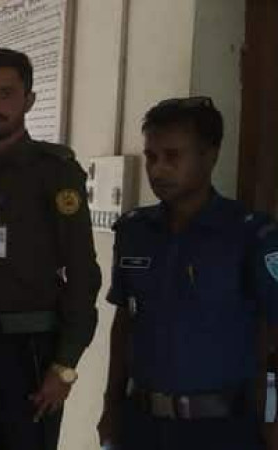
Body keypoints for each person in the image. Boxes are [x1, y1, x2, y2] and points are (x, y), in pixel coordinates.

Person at [97, 97, 278, 450]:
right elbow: (124, 325)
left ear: (210, 156)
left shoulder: (249, 235)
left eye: (173, 156)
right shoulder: (135, 230)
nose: (158, 169)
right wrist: (110, 406)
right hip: (142, 424)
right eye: (151, 157)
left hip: (221, 429)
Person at [0, 48, 102, 450]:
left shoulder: (55, 171)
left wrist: (65, 364)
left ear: (29, 100)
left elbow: (83, 273)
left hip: (34, 351)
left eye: (6, 94)